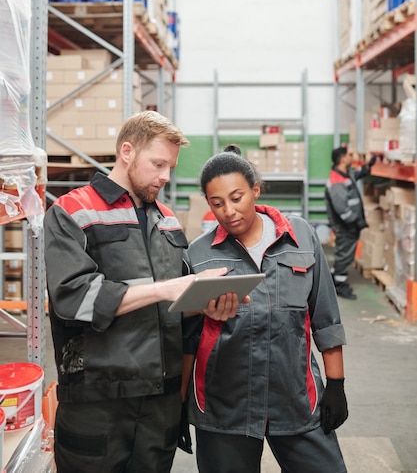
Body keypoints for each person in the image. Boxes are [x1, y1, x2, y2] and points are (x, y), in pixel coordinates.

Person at [43, 111, 241, 473]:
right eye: (158, 164)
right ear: (127, 151)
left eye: (171, 166)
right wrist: (166, 289)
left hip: (159, 401)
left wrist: (204, 305)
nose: (165, 176)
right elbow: (72, 298)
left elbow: (173, 302)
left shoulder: (166, 218)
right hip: (98, 402)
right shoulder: (72, 211)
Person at [182, 145, 349, 473]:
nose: (229, 211)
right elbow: (188, 338)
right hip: (224, 406)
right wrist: (179, 404)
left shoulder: (301, 237)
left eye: (237, 197)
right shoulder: (198, 255)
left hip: (295, 398)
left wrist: (337, 384)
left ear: (255, 190)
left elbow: (326, 318)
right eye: (217, 203)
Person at [325, 146, 377, 300]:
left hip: (349, 226)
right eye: (348, 155)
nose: (351, 157)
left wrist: (369, 166)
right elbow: (342, 209)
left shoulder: (346, 174)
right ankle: (340, 285)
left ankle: (334, 279)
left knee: (344, 254)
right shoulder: (337, 181)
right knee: (345, 256)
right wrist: (355, 222)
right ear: (342, 159)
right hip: (345, 226)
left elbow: (357, 174)